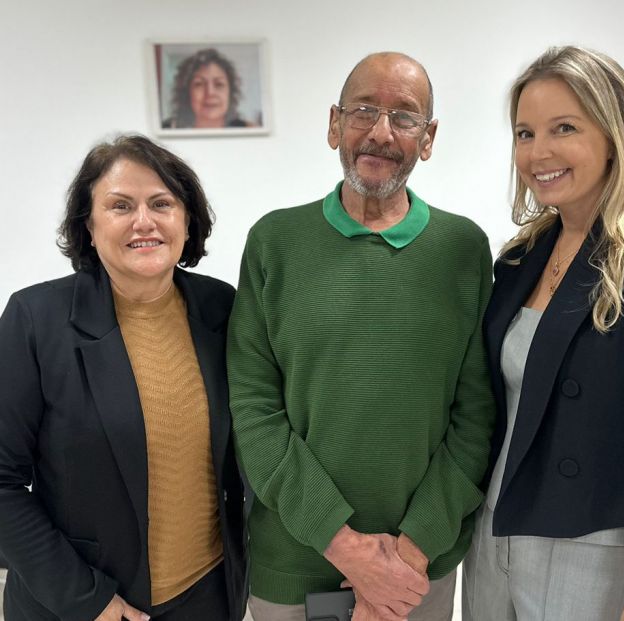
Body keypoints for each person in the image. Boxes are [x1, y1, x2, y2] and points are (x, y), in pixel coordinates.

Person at [227, 51, 495, 621]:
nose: (380, 132)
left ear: (428, 138)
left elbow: (476, 418)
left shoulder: (463, 249)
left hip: (419, 569)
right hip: (292, 568)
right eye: (363, 110)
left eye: (404, 116)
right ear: (333, 124)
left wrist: (408, 553)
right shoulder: (274, 242)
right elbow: (254, 413)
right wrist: (350, 551)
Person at [463, 46, 624, 621]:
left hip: (591, 543)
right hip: (492, 533)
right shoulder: (517, 260)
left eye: (564, 128)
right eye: (525, 133)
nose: (539, 152)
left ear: (614, 134)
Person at [0, 135, 247, 621]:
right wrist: (87, 600)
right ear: (89, 227)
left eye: (162, 203)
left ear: (187, 220)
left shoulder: (221, 308)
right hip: (83, 602)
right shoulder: (35, 320)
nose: (144, 221)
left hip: (207, 595)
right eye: (121, 205)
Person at [163, 48, 250, 129]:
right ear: (186, 93)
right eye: (199, 84)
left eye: (219, 84)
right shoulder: (165, 129)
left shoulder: (249, 130)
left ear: (230, 92)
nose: (210, 92)